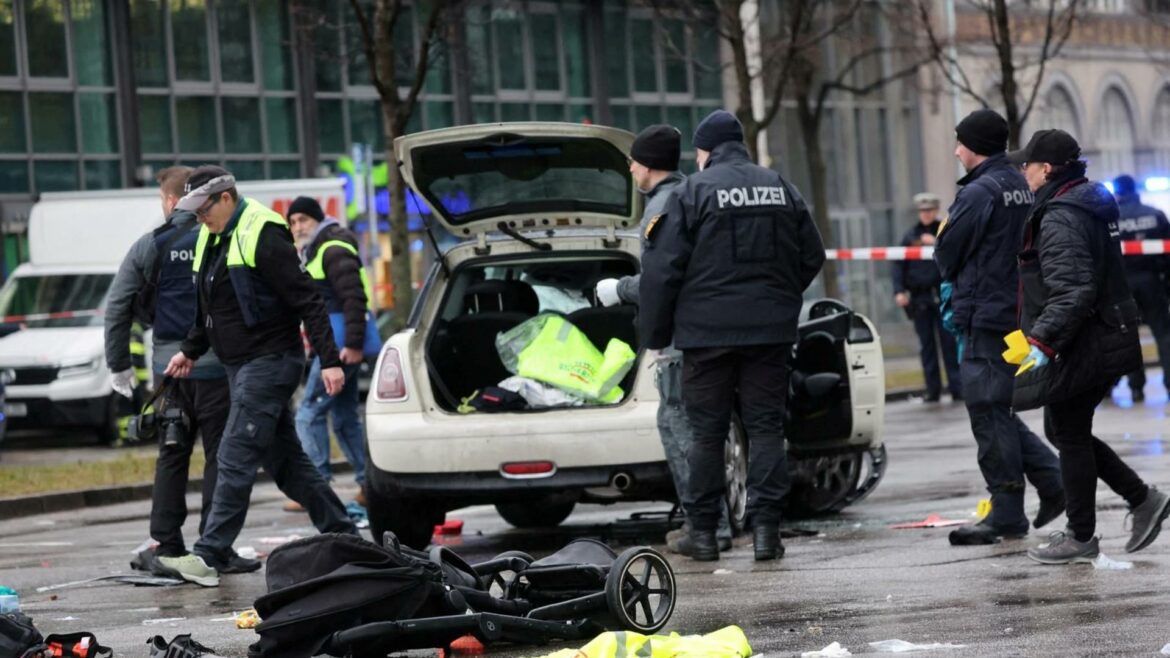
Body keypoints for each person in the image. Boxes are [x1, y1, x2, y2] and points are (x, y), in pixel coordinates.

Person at [157, 166, 358, 587]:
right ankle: (347, 536)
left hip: (270, 361)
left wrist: (331, 360)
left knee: (234, 453)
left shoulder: (262, 231)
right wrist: (189, 352)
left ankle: (208, 555)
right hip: (240, 366)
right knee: (287, 464)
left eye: (203, 208)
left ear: (226, 197)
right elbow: (211, 310)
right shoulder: (211, 237)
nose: (199, 218)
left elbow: (309, 301)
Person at [640, 110, 825, 561]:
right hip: (769, 333)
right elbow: (812, 254)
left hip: (707, 335)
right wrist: (779, 298)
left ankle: (702, 533)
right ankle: (766, 533)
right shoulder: (779, 186)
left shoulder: (690, 192)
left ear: (704, 151)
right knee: (765, 429)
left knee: (707, 433)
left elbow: (663, 270)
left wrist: (656, 332)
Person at [1008, 129, 1170, 563]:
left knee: (1068, 430)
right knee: (1062, 429)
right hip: (1099, 332)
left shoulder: (1061, 214)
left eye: (1027, 165)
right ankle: (1141, 499)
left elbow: (1074, 288)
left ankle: (1082, 535)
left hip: (1086, 338)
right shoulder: (1081, 202)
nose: (1023, 172)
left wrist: (1042, 340)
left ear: (1046, 169)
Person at [103, 166, 256, 574]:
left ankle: (167, 544)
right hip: (219, 368)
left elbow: (118, 304)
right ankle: (215, 547)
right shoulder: (222, 238)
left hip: (168, 373)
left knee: (172, 454)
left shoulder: (152, 244)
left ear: (171, 201)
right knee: (221, 458)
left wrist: (119, 366)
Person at [593, 125, 734, 557]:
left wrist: (618, 289)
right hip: (704, 329)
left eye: (634, 160)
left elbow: (661, 278)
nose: (631, 167)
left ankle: (705, 527)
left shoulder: (662, 205)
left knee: (681, 428)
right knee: (700, 430)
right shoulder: (691, 194)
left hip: (679, 337)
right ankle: (714, 522)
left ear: (649, 164)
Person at [934, 109, 1065, 546]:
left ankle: (1008, 509)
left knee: (988, 410)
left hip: (985, 314)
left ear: (975, 146)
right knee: (999, 404)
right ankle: (1052, 480)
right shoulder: (1019, 184)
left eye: (960, 143)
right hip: (1017, 312)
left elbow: (947, 253)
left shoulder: (979, 193)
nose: (956, 151)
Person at [286, 196, 377, 511]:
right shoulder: (319, 248)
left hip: (338, 349)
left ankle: (316, 487)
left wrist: (352, 344)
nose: (298, 227)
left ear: (317, 219)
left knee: (308, 413)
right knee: (343, 418)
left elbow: (354, 298)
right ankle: (371, 485)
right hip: (338, 346)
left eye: (303, 220)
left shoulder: (332, 247)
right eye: (293, 222)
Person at [893, 192, 962, 403]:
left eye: (929, 210)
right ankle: (932, 391)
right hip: (920, 299)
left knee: (949, 344)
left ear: (935, 210)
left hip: (943, 296)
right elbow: (898, 265)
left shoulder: (946, 230)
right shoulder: (910, 236)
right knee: (927, 346)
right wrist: (898, 291)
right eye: (923, 211)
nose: (926, 214)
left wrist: (936, 242)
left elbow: (957, 254)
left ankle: (957, 388)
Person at [1111, 174, 1170, 403]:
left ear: (1117, 193)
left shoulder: (1112, 219)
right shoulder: (1155, 215)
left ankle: (1136, 388)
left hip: (1123, 286)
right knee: (1164, 334)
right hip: (1152, 281)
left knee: (1130, 338)